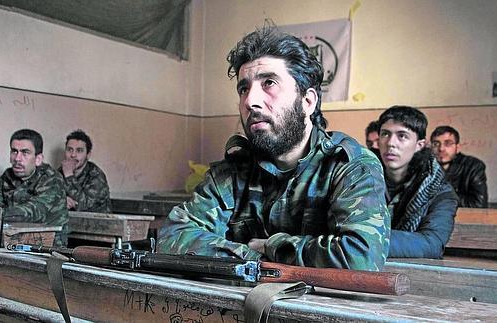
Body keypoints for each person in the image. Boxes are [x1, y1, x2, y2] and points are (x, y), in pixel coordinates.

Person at [156, 25, 390, 270]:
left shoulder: (350, 166)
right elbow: (173, 236)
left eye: (269, 83)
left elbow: (361, 258)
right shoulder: (231, 173)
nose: (250, 101)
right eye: (243, 88)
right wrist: (253, 258)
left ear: (308, 101)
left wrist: (272, 246)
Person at [377, 106, 458, 258]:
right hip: (360, 269)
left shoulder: (439, 191)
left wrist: (364, 240)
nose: (390, 143)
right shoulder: (362, 177)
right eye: (385, 134)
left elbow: (431, 244)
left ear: (419, 145)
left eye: (402, 136)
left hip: (413, 274)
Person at [0, 129, 68, 245]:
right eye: (14, 151)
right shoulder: (8, 175)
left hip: (48, 245)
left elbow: (32, 212)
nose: (17, 158)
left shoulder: (52, 179)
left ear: (38, 159)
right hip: (14, 239)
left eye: (25, 152)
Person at [430, 126, 488, 208]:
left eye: (448, 143)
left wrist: (440, 196)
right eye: (436, 144)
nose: (441, 149)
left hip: (464, 219)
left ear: (457, 148)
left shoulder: (472, 166)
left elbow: (478, 204)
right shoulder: (424, 166)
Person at [59, 129, 111, 213]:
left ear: (88, 155)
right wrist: (61, 201)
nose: (73, 155)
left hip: (97, 224)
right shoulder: (60, 171)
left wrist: (69, 176)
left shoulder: (96, 175)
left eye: (79, 151)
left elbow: (83, 205)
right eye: (69, 149)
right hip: (71, 222)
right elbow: (49, 196)